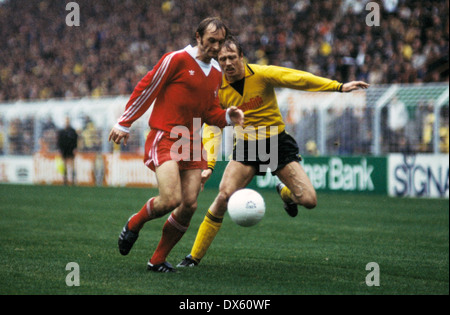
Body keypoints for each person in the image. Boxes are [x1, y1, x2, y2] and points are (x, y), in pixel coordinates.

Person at [178, 36, 369, 267]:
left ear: (241, 57)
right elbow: (211, 125)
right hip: (248, 146)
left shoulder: (261, 74)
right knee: (223, 197)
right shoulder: (217, 87)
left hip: (276, 142)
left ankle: (285, 192)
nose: (227, 63)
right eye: (222, 59)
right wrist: (208, 165)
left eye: (231, 57)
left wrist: (337, 86)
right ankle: (193, 257)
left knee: (309, 200)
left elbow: (297, 79)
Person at [109, 18, 244, 273]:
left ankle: (157, 260)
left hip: (191, 141)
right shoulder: (176, 60)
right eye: (211, 41)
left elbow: (209, 112)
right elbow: (147, 87)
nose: (216, 47)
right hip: (167, 135)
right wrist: (124, 122)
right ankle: (134, 224)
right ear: (198, 36)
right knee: (171, 198)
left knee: (189, 204)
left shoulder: (217, 72)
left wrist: (227, 116)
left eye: (220, 42)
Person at [57, 117, 78, 185]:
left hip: (71, 150)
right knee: (64, 166)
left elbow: (75, 140)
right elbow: (59, 141)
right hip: (64, 150)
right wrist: (60, 149)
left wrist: (75, 148)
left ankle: (72, 180)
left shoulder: (72, 131)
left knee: (72, 165)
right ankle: (65, 180)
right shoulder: (62, 131)